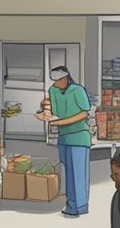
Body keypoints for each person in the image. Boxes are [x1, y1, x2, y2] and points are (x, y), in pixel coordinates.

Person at [36, 65, 92, 217]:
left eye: (59, 79)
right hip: (63, 137)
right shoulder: (53, 91)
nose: (57, 83)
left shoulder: (78, 90)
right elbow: (54, 113)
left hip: (79, 137)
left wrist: (62, 122)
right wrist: (43, 113)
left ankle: (80, 206)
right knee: (68, 173)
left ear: (67, 77)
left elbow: (84, 113)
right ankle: (71, 204)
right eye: (54, 80)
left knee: (78, 174)